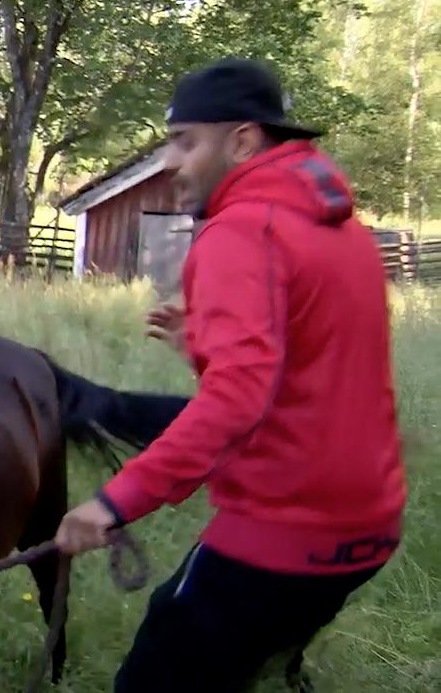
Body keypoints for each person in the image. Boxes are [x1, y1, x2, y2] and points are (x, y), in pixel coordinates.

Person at [53, 57, 408, 692]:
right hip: (367, 532)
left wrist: (113, 502)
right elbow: (311, 375)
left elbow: (236, 402)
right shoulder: (346, 232)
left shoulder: (238, 234)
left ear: (242, 141)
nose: (169, 163)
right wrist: (203, 349)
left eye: (185, 142)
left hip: (281, 538)